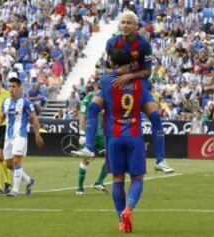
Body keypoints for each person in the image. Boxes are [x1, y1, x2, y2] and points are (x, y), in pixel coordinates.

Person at [76, 11, 174, 173]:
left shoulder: (144, 45)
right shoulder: (112, 43)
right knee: (92, 107)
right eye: (122, 22)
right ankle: (89, 148)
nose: (124, 25)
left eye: (128, 23)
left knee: (156, 117)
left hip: (137, 85)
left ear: (136, 27)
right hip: (116, 83)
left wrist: (129, 75)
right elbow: (105, 68)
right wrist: (117, 72)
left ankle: (160, 161)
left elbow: (147, 72)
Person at [86, 48, 154, 232]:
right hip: (134, 135)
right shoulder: (142, 83)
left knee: (117, 179)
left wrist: (114, 72)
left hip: (114, 136)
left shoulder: (107, 81)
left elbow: (95, 106)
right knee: (137, 178)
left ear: (113, 63)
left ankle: (120, 220)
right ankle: (129, 208)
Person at [0, 77, 44, 197]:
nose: (11, 89)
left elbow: (34, 118)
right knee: (8, 164)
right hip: (8, 136)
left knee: (16, 160)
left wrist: (37, 135)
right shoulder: (6, 102)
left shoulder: (26, 103)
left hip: (20, 135)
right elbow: (2, 118)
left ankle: (15, 190)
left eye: (14, 86)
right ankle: (28, 181)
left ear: (19, 88)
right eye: (10, 86)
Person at [72, 82, 109, 195]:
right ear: (95, 88)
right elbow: (82, 116)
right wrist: (82, 133)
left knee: (111, 156)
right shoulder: (87, 99)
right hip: (90, 134)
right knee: (86, 160)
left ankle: (99, 182)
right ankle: (79, 187)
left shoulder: (103, 98)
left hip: (101, 134)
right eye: (99, 88)